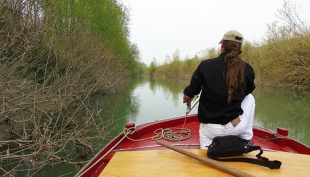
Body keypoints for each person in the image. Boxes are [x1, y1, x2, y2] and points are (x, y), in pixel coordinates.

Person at [183, 30, 256, 149]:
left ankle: (208, 148)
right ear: (239, 48)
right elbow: (247, 92)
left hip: (210, 131)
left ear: (222, 44)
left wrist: (187, 97)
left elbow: (188, 96)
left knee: (207, 152)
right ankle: (246, 139)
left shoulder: (206, 65)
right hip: (235, 126)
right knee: (250, 98)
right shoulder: (247, 69)